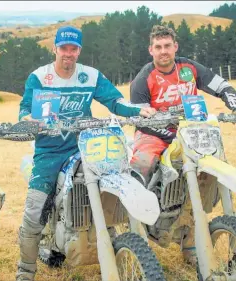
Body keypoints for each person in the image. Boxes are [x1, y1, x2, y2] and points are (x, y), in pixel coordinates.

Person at [16, 25, 156, 281]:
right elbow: (24, 109)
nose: (68, 53)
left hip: (87, 145)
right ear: (55, 49)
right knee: (34, 211)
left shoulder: (90, 76)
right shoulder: (39, 77)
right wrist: (29, 119)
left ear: (79, 50)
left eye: (73, 48)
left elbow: (115, 101)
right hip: (49, 150)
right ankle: (25, 270)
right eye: (63, 48)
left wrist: (138, 111)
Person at [130, 24, 236, 265]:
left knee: (205, 177)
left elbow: (220, 84)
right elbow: (138, 118)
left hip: (191, 132)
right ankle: (140, 224)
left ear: (175, 47)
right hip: (154, 135)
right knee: (141, 164)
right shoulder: (144, 78)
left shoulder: (189, 68)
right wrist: (168, 134)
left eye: (168, 46)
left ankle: (190, 241)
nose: (164, 51)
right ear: (151, 50)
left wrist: (231, 97)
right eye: (158, 47)